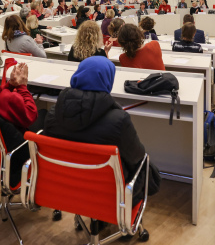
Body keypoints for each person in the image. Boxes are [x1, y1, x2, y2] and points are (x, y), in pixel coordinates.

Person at [42, 56, 161, 202]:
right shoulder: (119, 120)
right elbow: (137, 156)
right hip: (110, 192)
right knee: (147, 168)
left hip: (67, 188)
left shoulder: (53, 114)